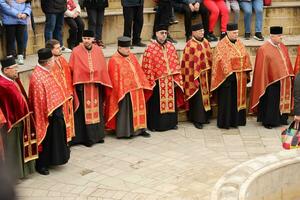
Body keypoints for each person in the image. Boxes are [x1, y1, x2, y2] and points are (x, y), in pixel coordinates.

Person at [28, 48, 70, 175]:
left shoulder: (46, 71)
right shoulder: (38, 77)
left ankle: (53, 159)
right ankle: (42, 165)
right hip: (46, 116)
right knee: (46, 141)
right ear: (47, 62)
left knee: (54, 139)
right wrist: (49, 113)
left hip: (54, 111)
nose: (54, 61)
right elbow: (39, 100)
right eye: (52, 59)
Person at [69, 30, 112, 147]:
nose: (86, 41)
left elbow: (102, 66)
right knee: (83, 113)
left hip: (96, 86)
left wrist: (99, 78)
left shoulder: (98, 50)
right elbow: (73, 68)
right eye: (85, 38)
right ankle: (85, 138)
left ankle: (98, 136)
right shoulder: (76, 51)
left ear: (93, 39)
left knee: (97, 111)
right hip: (82, 87)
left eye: (89, 38)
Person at [106, 36, 152, 139]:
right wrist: (123, 89)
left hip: (137, 88)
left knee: (140, 109)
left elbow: (138, 70)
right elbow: (114, 78)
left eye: (129, 48)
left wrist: (142, 83)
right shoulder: (114, 60)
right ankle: (126, 132)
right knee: (126, 112)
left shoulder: (131, 56)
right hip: (124, 92)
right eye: (126, 48)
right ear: (119, 48)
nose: (128, 50)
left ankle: (141, 129)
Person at [0, 57, 38, 179]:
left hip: (21, 119)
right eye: (14, 68)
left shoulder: (13, 79)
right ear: (5, 70)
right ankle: (14, 175)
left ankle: (24, 171)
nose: (17, 71)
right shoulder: (2, 84)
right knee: (13, 150)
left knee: (20, 148)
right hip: (12, 123)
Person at [141, 24, 184, 131]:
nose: (164, 35)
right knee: (156, 104)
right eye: (161, 33)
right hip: (157, 82)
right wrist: (151, 80)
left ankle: (171, 123)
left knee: (171, 102)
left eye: (165, 33)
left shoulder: (170, 46)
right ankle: (155, 125)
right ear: (156, 34)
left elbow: (175, 62)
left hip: (170, 80)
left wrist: (175, 77)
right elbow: (147, 67)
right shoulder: (150, 49)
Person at [249, 26, 294, 129]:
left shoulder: (282, 46)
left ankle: (282, 118)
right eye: (279, 36)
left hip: (282, 80)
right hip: (269, 82)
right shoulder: (263, 49)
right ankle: (268, 121)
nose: (281, 38)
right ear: (273, 37)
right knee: (271, 101)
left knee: (280, 100)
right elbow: (262, 70)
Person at [210, 23, 252, 129]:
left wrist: (246, 69)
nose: (236, 35)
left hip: (239, 79)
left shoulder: (239, 43)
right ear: (228, 33)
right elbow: (220, 60)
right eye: (234, 33)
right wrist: (229, 73)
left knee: (237, 100)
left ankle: (237, 121)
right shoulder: (221, 45)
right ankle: (226, 123)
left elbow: (245, 56)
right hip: (227, 80)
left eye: (237, 33)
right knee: (227, 102)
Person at [181, 23, 212, 129]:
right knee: (197, 98)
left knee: (205, 97)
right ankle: (197, 119)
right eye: (200, 31)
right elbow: (187, 63)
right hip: (193, 76)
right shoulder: (190, 45)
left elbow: (209, 57)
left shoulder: (206, 42)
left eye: (203, 31)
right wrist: (194, 75)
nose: (202, 33)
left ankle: (205, 116)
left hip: (205, 75)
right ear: (193, 33)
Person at [46, 39, 75, 143]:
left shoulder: (62, 59)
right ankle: (62, 142)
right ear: (50, 50)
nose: (60, 49)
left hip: (66, 94)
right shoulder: (49, 65)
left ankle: (68, 139)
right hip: (58, 99)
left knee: (68, 118)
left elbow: (67, 75)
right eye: (57, 48)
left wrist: (70, 91)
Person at [0, 0, 31, 64]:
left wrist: (25, 13)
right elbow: (3, 5)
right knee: (10, 40)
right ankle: (10, 57)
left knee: (20, 40)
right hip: (9, 20)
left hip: (21, 20)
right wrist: (16, 13)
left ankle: (20, 56)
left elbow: (28, 5)